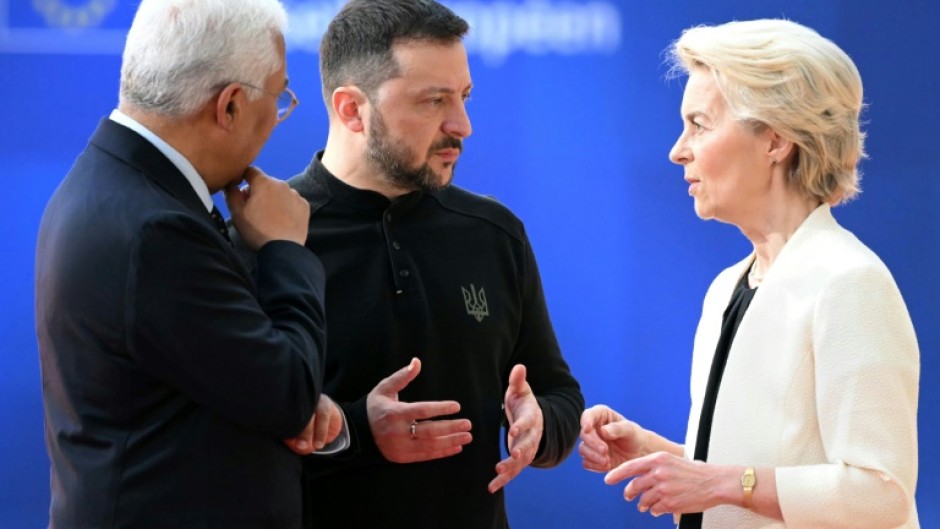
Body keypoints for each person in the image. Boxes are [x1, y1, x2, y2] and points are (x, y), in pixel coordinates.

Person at [230, 0, 584, 527]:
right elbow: (232, 433)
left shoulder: (494, 233)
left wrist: (540, 426)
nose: (462, 125)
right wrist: (359, 433)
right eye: (434, 101)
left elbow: (558, 392)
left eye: (463, 97)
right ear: (352, 109)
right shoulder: (265, 237)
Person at [579, 18, 920, 529]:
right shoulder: (726, 289)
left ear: (776, 141)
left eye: (700, 123)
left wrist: (716, 482)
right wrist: (664, 459)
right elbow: (764, 475)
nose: (678, 150)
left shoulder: (850, 282)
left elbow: (880, 492)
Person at [34, 1, 342, 527]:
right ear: (229, 107)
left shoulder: (113, 185)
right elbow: (287, 394)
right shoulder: (157, 228)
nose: (279, 117)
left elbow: (208, 370)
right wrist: (286, 249)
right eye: (280, 97)